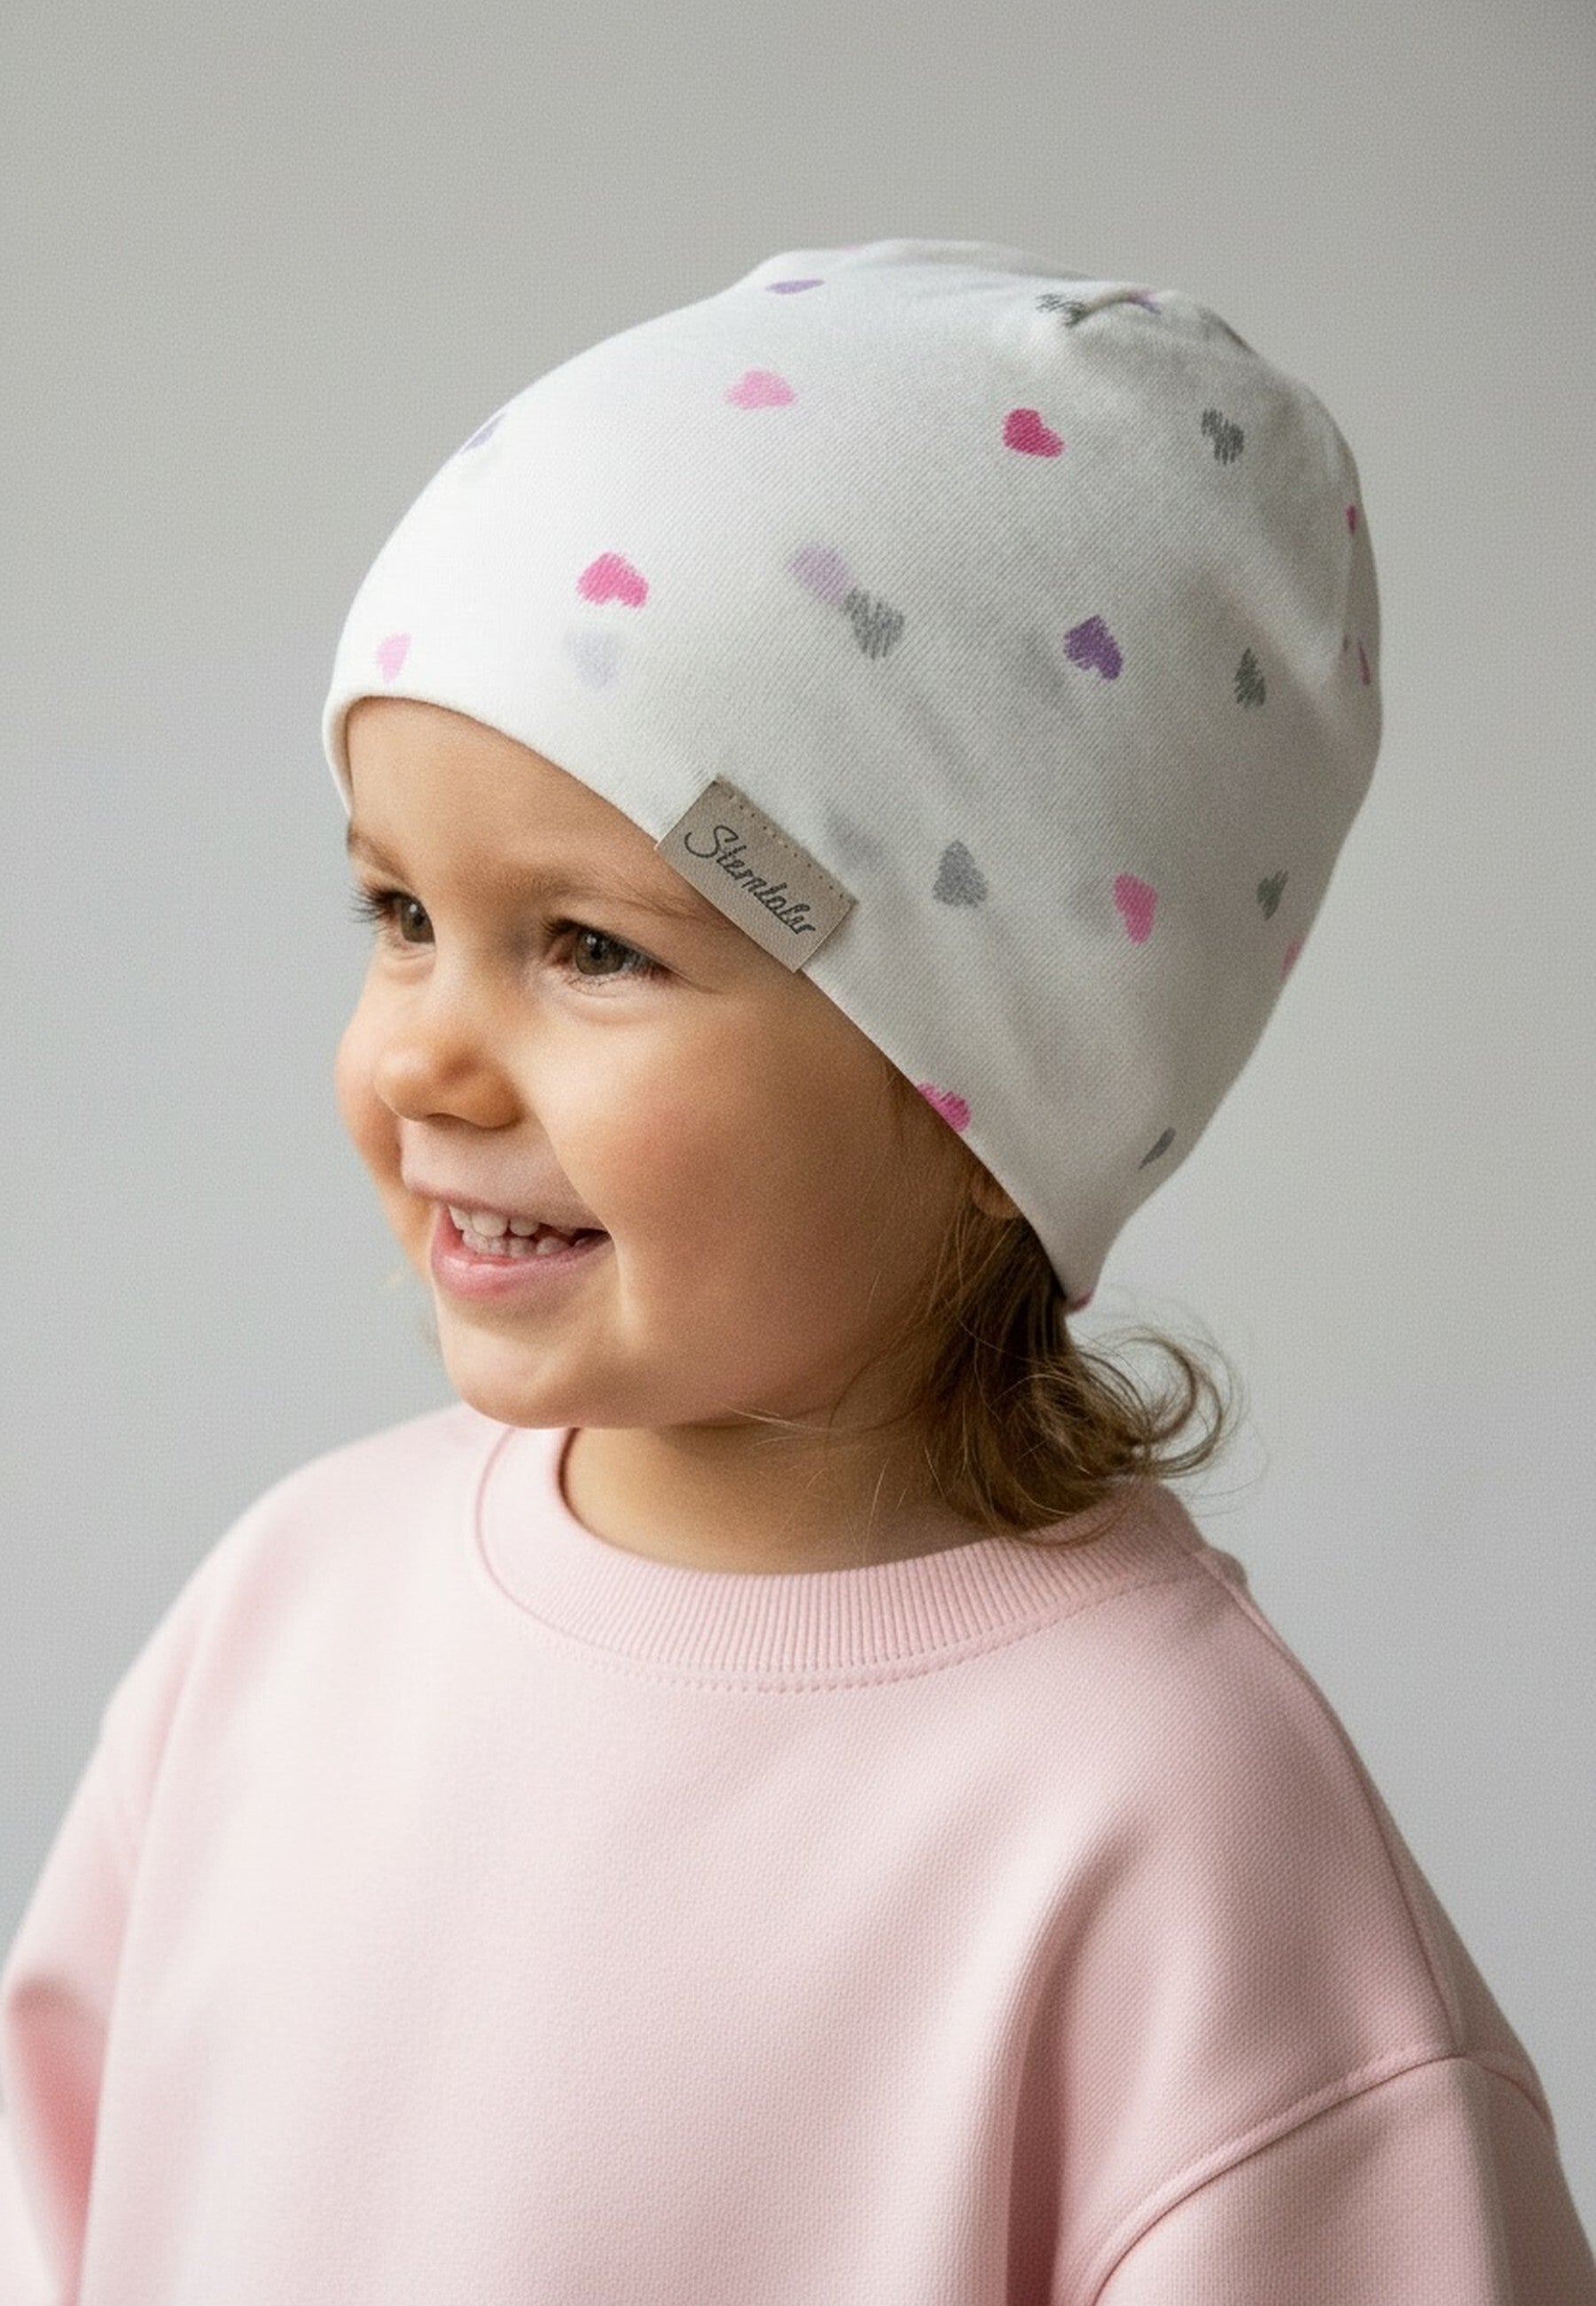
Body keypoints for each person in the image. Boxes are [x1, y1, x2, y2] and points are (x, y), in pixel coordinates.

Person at [2, 237, 1590, 2304]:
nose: (417, 1059)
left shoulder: (1170, 1839)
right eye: (399, 913)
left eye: (591, 946)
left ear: (991, 1082)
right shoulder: (285, 1618)